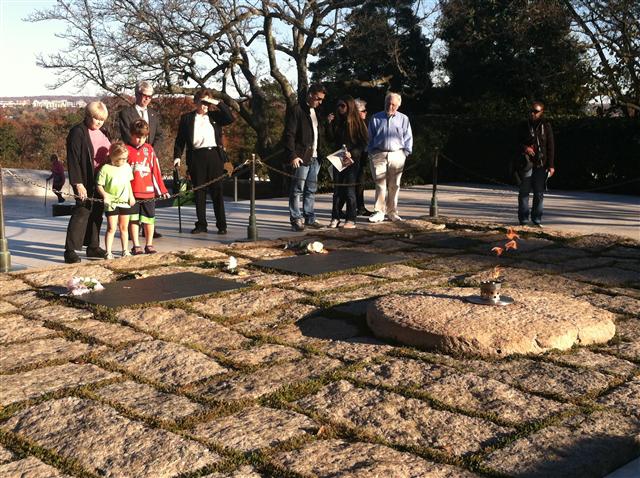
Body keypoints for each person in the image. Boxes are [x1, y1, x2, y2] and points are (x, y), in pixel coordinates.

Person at [174, 89, 234, 235]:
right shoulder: (187, 118)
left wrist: (216, 102)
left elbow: (230, 118)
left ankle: (222, 224)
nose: (205, 105)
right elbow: (180, 140)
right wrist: (177, 156)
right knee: (199, 192)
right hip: (196, 156)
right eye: (203, 102)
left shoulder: (215, 116)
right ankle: (201, 224)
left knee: (217, 191)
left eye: (208, 103)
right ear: (196, 102)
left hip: (214, 155)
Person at [63, 101, 110, 264]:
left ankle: (93, 246)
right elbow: (73, 159)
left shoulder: (103, 132)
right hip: (84, 179)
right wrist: (78, 183)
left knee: (97, 213)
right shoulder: (77, 132)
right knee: (81, 213)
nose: (99, 122)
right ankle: (70, 250)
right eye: (96, 118)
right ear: (88, 115)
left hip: (100, 180)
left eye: (101, 119)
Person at [118, 80, 164, 238]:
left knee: (149, 198)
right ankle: (134, 230)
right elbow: (126, 135)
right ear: (136, 94)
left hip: (149, 158)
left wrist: (150, 151)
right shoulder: (125, 113)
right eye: (144, 96)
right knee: (134, 196)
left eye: (150, 97)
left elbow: (159, 135)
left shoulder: (153, 114)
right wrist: (138, 150)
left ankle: (149, 228)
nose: (147, 99)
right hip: (132, 158)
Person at [284, 83, 327, 231]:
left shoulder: (318, 112)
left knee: (311, 190)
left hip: (315, 157)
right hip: (301, 156)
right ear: (310, 94)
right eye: (318, 98)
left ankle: (310, 217)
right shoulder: (297, 110)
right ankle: (296, 218)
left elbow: (318, 134)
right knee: (297, 189)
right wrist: (293, 155)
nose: (320, 102)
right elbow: (289, 134)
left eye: (322, 99)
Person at [367, 92, 413, 223]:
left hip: (397, 154)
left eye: (393, 104)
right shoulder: (376, 118)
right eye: (388, 103)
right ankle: (379, 212)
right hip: (378, 153)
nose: (390, 106)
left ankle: (392, 212)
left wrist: (405, 153)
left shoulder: (404, 119)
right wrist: (371, 152)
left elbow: (408, 137)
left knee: (395, 185)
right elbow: (369, 137)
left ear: (398, 105)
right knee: (380, 184)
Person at [126, 119, 169, 254]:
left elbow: (155, 170)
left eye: (143, 137)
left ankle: (149, 244)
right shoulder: (125, 149)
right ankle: (136, 245)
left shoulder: (149, 150)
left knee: (149, 220)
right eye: (137, 137)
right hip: (132, 193)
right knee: (133, 220)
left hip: (148, 192)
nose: (140, 140)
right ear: (131, 134)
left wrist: (162, 190)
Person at [327, 95, 368, 229]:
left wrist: (353, 153)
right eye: (338, 106)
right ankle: (335, 217)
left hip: (351, 159)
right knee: (337, 190)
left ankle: (351, 218)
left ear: (349, 106)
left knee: (350, 190)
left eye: (343, 106)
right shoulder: (337, 121)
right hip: (338, 157)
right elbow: (331, 138)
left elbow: (363, 142)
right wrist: (329, 124)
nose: (340, 109)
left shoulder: (357, 122)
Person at [517, 101, 555, 227]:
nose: (533, 114)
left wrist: (551, 165)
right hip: (527, 163)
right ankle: (523, 220)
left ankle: (537, 219)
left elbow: (551, 146)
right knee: (524, 191)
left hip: (541, 163)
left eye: (536, 111)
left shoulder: (546, 126)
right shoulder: (523, 125)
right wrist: (525, 148)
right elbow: (515, 142)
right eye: (532, 111)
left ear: (541, 112)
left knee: (539, 193)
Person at [95, 141, 136, 259]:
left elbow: (128, 183)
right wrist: (105, 195)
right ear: (113, 156)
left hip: (124, 201)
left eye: (125, 158)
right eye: (121, 159)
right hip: (111, 202)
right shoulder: (106, 169)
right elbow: (99, 185)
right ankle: (108, 251)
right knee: (111, 227)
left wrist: (131, 196)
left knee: (124, 227)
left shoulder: (127, 167)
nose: (124, 161)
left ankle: (125, 250)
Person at [354, 98, 373, 217]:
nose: (366, 113)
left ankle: (360, 207)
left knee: (360, 183)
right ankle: (341, 209)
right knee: (350, 184)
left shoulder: (365, 123)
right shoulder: (351, 124)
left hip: (362, 157)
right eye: (363, 110)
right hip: (353, 158)